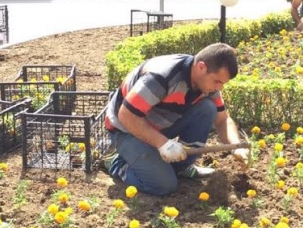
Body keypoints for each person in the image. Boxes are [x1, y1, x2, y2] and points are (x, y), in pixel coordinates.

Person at [103, 43, 248, 196]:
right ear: (201, 67)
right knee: (163, 186)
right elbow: (126, 116)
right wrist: (162, 143)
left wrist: (235, 146)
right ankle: (115, 163)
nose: (219, 88)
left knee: (207, 108)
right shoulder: (161, 77)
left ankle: (181, 167)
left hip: (157, 124)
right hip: (126, 130)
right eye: (217, 81)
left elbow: (222, 120)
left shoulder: (206, 84)